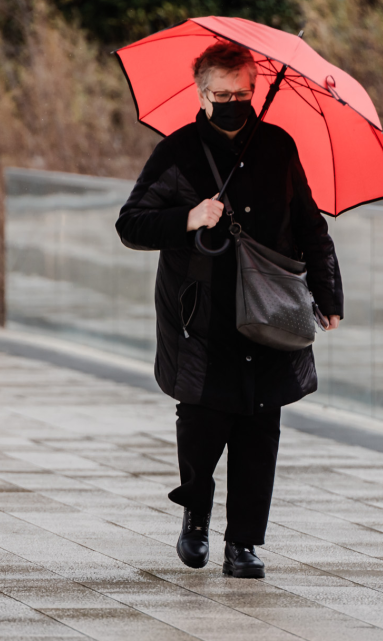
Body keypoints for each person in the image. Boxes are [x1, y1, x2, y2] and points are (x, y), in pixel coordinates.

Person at [115, 40, 343, 578]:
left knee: (261, 426)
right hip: (201, 315)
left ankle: (243, 543)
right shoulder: (177, 151)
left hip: (270, 310)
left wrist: (329, 296)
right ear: (201, 92)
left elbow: (311, 227)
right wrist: (189, 217)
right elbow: (131, 225)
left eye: (242, 93)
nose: (233, 102)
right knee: (201, 419)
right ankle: (195, 517)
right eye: (222, 94)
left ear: (255, 90)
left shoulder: (278, 147)